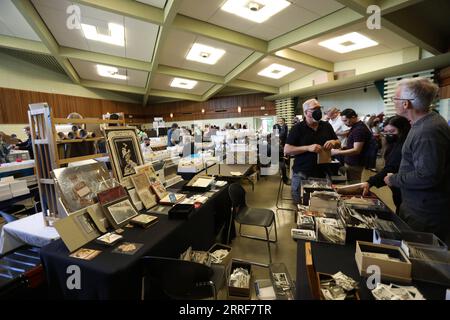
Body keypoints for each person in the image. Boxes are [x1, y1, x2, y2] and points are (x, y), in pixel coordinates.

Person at [385, 78, 450, 243]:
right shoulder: (424, 123)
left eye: (395, 98)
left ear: (406, 104)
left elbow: (427, 175)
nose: (393, 102)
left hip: (424, 213)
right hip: (417, 206)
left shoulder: (428, 131)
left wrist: (394, 179)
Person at [284, 99, 340, 204]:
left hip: (323, 172)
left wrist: (334, 142)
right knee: (301, 204)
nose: (318, 111)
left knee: (324, 203)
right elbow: (287, 149)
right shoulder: (297, 128)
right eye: (314, 109)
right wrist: (307, 148)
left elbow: (338, 143)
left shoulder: (326, 126)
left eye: (319, 108)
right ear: (306, 112)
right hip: (303, 173)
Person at [359, 116, 411, 212]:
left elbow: (391, 168)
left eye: (392, 131)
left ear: (402, 130)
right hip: (396, 187)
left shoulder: (404, 146)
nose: (388, 135)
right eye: (386, 132)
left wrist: (370, 182)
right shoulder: (394, 144)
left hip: (405, 190)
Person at [331, 109, 372, 182]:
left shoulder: (359, 129)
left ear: (353, 117)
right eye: (343, 121)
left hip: (355, 163)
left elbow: (356, 150)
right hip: (353, 161)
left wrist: (337, 152)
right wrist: (345, 148)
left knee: (353, 184)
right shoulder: (355, 126)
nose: (344, 123)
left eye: (345, 120)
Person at [273, 118, 289, 184]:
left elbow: (282, 135)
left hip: (281, 146)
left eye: (281, 121)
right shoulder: (277, 126)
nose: (280, 122)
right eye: (279, 121)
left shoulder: (284, 126)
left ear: (284, 121)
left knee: (283, 162)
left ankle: (285, 177)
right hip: (278, 148)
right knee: (282, 164)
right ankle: (285, 179)